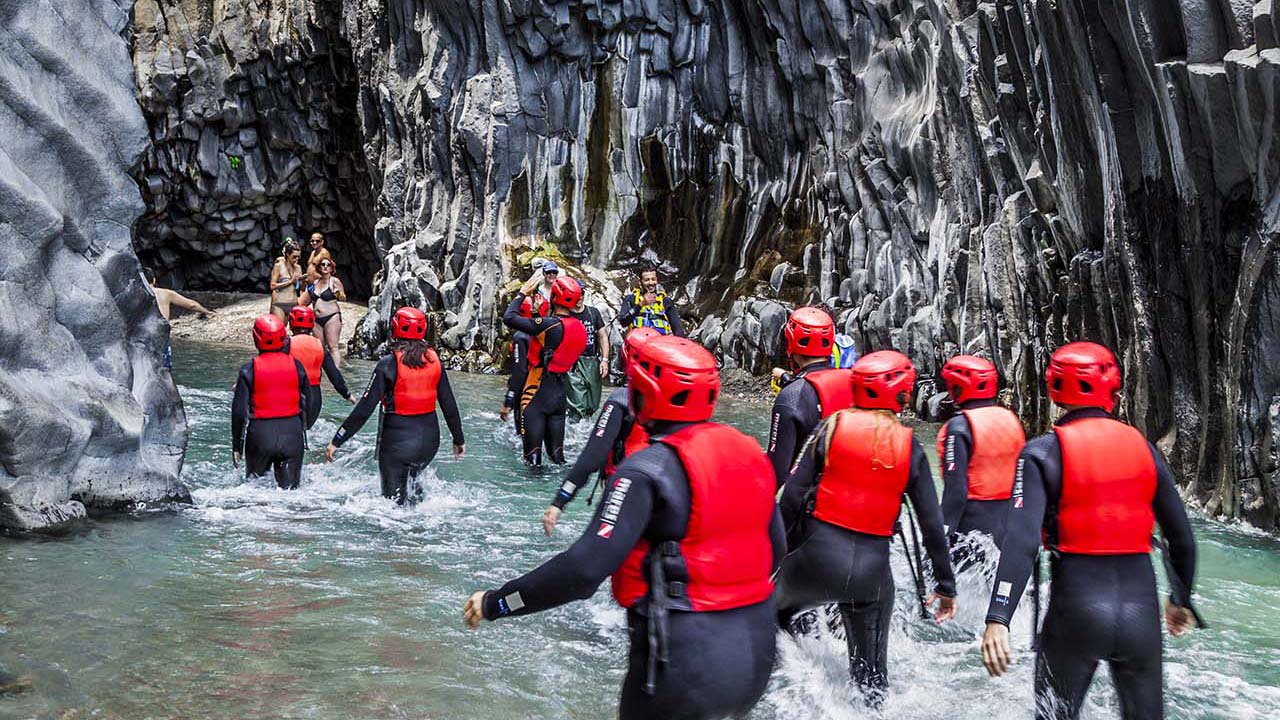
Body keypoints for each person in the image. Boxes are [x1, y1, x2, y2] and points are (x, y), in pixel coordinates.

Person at [464, 336, 782, 720]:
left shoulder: (645, 471)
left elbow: (582, 573)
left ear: (644, 392)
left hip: (683, 666)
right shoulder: (749, 453)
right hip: (756, 657)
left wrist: (497, 602)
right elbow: (776, 552)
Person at [980, 342, 1199, 720]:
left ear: (1054, 388)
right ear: (1113, 389)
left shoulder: (1041, 453)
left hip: (1075, 612)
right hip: (1140, 615)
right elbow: (1182, 539)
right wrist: (1180, 598)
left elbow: (1021, 541)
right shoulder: (1144, 449)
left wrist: (998, 617)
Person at [776, 350, 957, 707]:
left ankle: (795, 689)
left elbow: (791, 499)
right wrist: (946, 585)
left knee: (771, 620)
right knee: (871, 688)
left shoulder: (831, 427)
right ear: (901, 395)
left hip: (813, 564)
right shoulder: (911, 448)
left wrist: (772, 563)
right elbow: (931, 527)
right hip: (870, 579)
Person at [325, 308, 465, 504]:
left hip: (398, 444)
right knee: (415, 494)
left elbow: (365, 408)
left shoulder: (388, 364)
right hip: (428, 444)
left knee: (393, 507)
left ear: (395, 329)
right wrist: (459, 439)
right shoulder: (435, 362)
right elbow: (449, 404)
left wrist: (337, 440)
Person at [540, 327, 660, 535]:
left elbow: (592, 457)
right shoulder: (676, 405)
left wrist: (560, 500)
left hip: (624, 495)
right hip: (661, 501)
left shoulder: (621, 401)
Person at [936, 355, 1026, 559]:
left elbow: (955, 491)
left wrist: (941, 535)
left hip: (973, 523)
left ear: (958, 388)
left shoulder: (959, 427)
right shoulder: (1010, 419)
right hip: (1010, 520)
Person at [501, 274, 588, 467]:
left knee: (532, 459)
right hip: (559, 395)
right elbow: (550, 343)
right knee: (558, 459)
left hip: (535, 395)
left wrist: (522, 293)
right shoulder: (580, 328)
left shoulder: (550, 325)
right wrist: (535, 314)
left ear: (555, 296)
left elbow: (509, 317)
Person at [766, 307, 855, 487]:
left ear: (790, 341)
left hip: (815, 503)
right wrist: (787, 380)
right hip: (855, 493)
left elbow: (776, 476)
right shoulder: (852, 382)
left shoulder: (790, 397)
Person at [231, 315, 309, 490]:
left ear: (256, 338)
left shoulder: (248, 369)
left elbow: (238, 412)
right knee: (290, 494)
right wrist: (302, 428)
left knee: (255, 492)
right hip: (292, 435)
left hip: (260, 436)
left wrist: (237, 445)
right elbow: (307, 401)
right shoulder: (297, 366)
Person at [287, 306, 354, 429]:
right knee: (306, 430)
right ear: (312, 324)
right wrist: (347, 394)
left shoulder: (287, 344)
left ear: (291, 323)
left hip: (293, 394)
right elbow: (334, 374)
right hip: (314, 399)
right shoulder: (320, 346)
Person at [144, 266, 213, 370]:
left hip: (143, 334)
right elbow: (191, 305)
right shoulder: (165, 293)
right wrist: (207, 312)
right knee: (163, 368)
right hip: (161, 333)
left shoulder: (136, 295)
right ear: (154, 280)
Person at [565, 296, 610, 421]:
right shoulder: (565, 313)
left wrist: (604, 360)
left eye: (581, 294)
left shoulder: (593, 312)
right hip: (572, 362)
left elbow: (603, 337)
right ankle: (575, 425)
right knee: (578, 402)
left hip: (591, 360)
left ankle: (585, 429)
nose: (579, 298)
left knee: (593, 402)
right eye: (575, 294)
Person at [500, 296, 536, 435]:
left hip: (525, 391)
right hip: (540, 387)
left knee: (521, 433)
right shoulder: (541, 330)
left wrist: (509, 400)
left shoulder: (520, 337)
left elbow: (520, 371)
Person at [300, 257, 346, 365]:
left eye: (328, 265)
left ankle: (336, 374)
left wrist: (338, 293)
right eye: (323, 264)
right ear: (319, 268)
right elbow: (304, 302)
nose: (325, 266)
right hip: (316, 320)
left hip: (332, 317)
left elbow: (343, 298)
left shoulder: (334, 281)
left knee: (333, 347)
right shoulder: (314, 283)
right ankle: (319, 373)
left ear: (331, 268)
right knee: (319, 348)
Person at [617, 267, 684, 336]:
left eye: (653, 279)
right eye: (647, 280)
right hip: (638, 341)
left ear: (657, 280)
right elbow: (623, 322)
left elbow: (678, 329)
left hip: (660, 342)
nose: (651, 283)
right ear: (640, 282)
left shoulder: (666, 301)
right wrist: (640, 305)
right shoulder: (631, 299)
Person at [269, 239, 304, 321]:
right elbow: (272, 286)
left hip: (294, 303)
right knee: (280, 329)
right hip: (280, 304)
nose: (296, 259)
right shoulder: (279, 266)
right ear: (288, 254)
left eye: (298, 257)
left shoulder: (298, 268)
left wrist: (303, 281)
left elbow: (301, 289)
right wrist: (290, 281)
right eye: (294, 257)